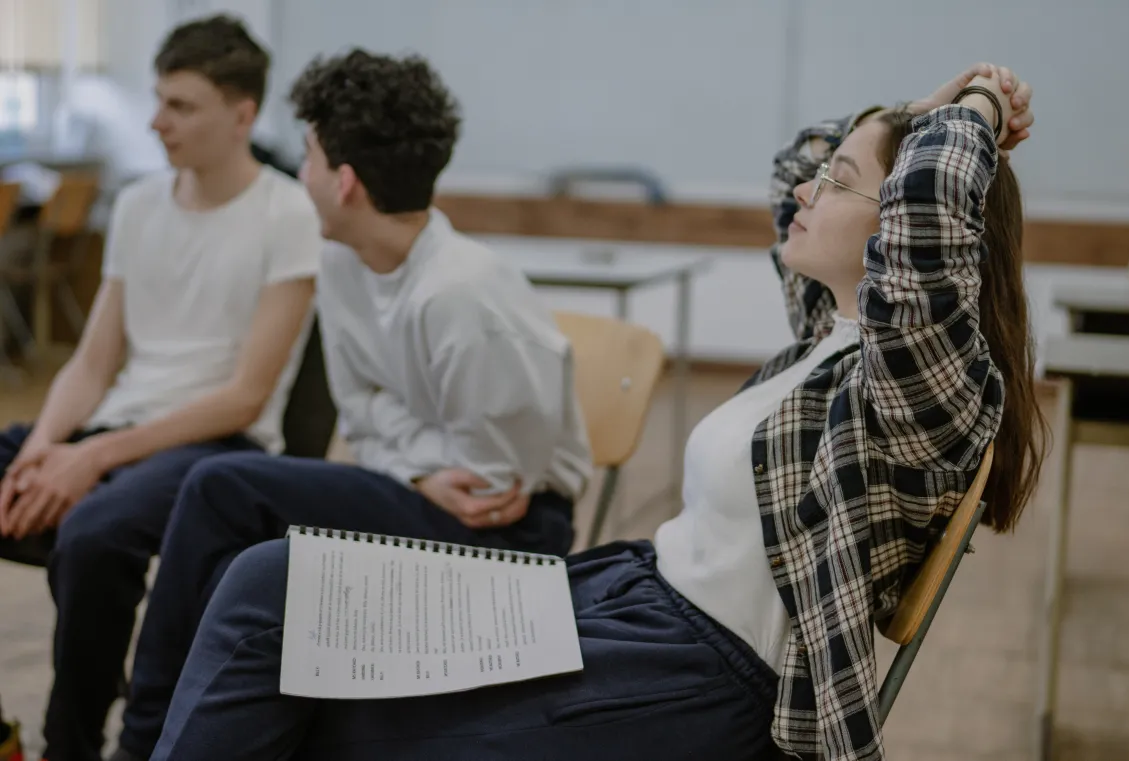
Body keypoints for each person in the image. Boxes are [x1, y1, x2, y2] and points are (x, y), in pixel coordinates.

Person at [141, 62, 1046, 761]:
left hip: (705, 679)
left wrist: (972, 109)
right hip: (628, 599)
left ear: (899, 219)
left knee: (330, 710)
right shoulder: (827, 332)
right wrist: (916, 112)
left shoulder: (921, 384)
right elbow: (795, 166)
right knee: (268, 583)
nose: (810, 194)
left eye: (843, 182)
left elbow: (927, 209)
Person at [107, 51, 593, 761]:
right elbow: (360, 412)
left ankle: (142, 741)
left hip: (514, 535)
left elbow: (489, 485)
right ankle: (180, 734)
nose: (296, 174)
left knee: (222, 487)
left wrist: (407, 455)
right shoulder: (339, 258)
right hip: (425, 490)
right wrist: (418, 464)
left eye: (306, 154)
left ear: (343, 181)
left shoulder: (464, 298)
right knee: (227, 525)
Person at [0, 15, 322, 761]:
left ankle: (70, 746)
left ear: (242, 114)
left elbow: (246, 397)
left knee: (92, 534)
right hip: (119, 430)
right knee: (47, 489)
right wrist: (46, 446)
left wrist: (93, 456)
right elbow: (91, 361)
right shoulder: (142, 205)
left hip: (215, 445)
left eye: (180, 105)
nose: (155, 121)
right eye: (158, 99)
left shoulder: (288, 214)